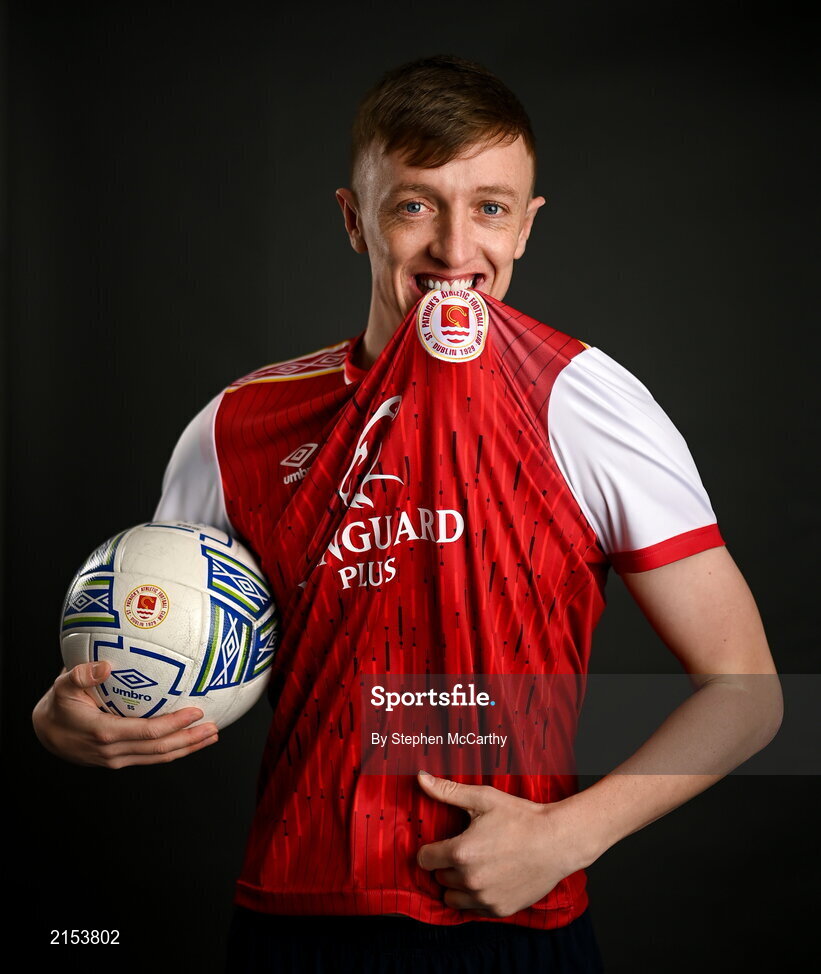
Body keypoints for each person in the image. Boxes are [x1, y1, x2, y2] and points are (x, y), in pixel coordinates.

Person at [32, 55, 782, 972]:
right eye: (415, 204)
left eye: (491, 207)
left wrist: (568, 836)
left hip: (513, 930)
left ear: (527, 225)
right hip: (289, 923)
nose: (456, 251)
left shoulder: (585, 400)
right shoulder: (236, 427)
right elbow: (167, 643)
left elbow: (749, 693)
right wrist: (65, 719)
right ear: (355, 219)